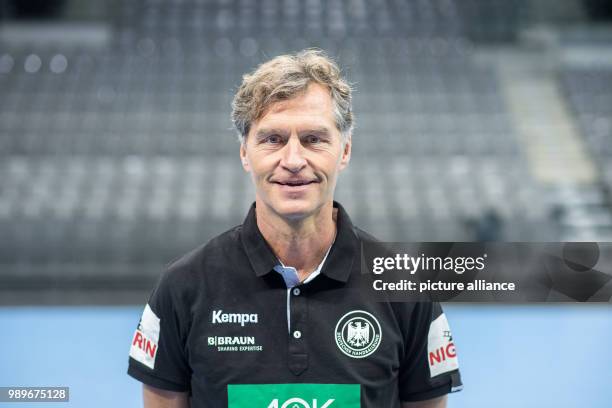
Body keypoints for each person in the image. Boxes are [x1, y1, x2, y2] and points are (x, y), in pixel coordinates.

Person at [127, 49, 463, 408]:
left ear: (345, 150)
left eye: (314, 139)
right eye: (272, 139)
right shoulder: (183, 286)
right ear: (244, 152)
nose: (292, 161)